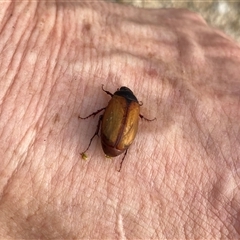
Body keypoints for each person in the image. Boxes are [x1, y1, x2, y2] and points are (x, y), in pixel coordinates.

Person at [0, 1, 239, 238]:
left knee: (99, 117)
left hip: (112, 138)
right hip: (118, 142)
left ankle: (100, 140)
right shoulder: (134, 107)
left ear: (116, 94)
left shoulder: (119, 101)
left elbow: (104, 115)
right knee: (103, 121)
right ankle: (109, 147)